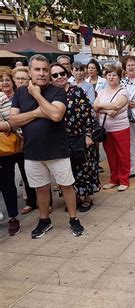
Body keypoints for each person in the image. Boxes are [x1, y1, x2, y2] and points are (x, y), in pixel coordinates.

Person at [9, 54, 85, 238]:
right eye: (37, 69)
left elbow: (57, 116)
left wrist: (36, 96)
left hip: (57, 150)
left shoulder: (57, 91)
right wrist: (38, 112)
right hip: (32, 152)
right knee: (41, 189)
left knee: (66, 186)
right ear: (30, 71)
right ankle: (44, 220)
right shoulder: (19, 93)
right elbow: (13, 120)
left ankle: (73, 219)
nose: (41, 73)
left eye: (45, 70)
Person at [50, 63, 100, 212]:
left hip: (80, 137)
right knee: (68, 170)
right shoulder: (50, 94)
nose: (60, 77)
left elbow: (89, 114)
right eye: (55, 75)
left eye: (62, 73)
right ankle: (75, 197)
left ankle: (87, 198)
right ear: (51, 79)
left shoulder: (77, 91)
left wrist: (89, 135)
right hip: (62, 140)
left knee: (85, 168)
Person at [1, 68, 38, 215]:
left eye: (7, 80)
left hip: (24, 141)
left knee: (27, 173)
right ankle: (18, 210)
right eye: (2, 80)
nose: (5, 83)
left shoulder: (21, 96)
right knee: (8, 179)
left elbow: (15, 120)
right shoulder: (2, 97)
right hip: (7, 145)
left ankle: (32, 201)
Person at [94, 65, 130, 191]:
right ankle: (113, 179)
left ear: (119, 77)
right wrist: (107, 111)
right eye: (109, 74)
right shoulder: (102, 92)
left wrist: (101, 107)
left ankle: (124, 180)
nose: (111, 77)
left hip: (121, 128)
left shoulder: (123, 92)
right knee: (111, 155)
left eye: (114, 74)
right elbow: (94, 106)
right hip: (106, 129)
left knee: (123, 155)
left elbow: (116, 105)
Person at [0, 91, 20, 235]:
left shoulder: (1, 97)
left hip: (2, 150)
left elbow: (13, 123)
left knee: (7, 183)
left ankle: (13, 217)